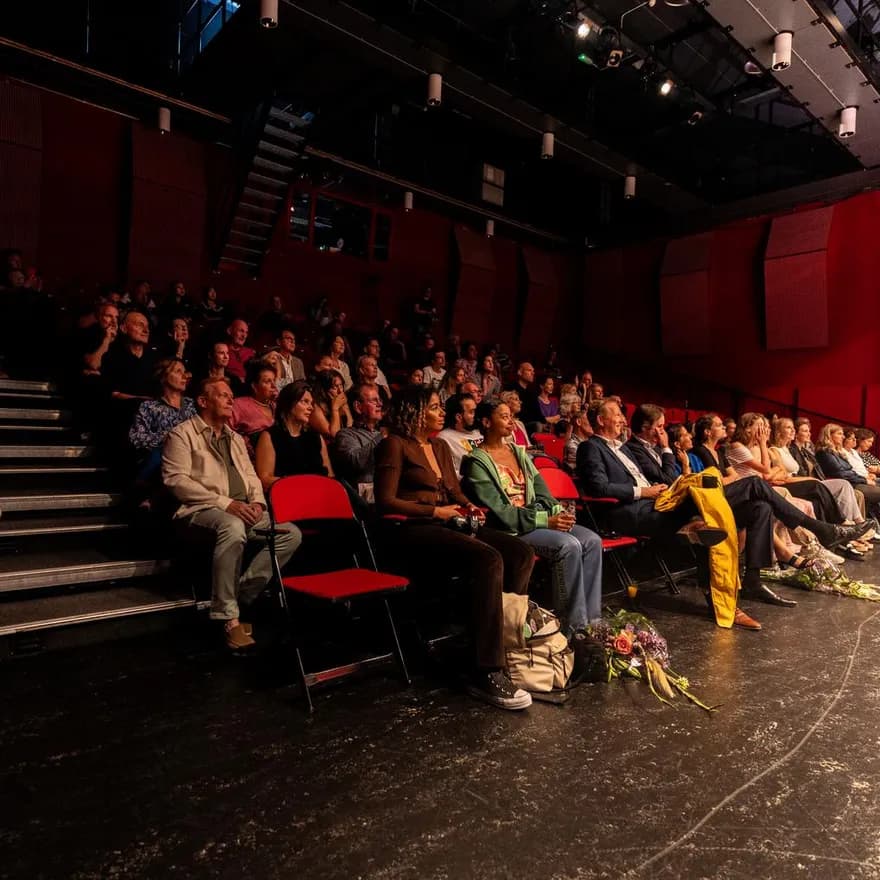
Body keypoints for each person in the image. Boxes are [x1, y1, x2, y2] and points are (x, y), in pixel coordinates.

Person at [579, 401, 872, 618]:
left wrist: (667, 453)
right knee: (755, 485)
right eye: (616, 414)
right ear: (600, 420)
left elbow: (668, 479)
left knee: (758, 507)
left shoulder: (624, 448)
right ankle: (820, 529)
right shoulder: (591, 447)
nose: (621, 419)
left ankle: (753, 579)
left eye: (620, 413)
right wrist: (642, 490)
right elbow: (597, 488)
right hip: (638, 512)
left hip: (665, 501)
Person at [374, 387, 535, 710]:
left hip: (449, 523)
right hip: (413, 529)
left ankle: (501, 639)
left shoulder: (439, 445)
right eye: (434, 407)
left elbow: (454, 490)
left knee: (520, 552)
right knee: (488, 559)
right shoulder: (394, 444)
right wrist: (435, 512)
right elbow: (385, 501)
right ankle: (485, 670)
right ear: (415, 412)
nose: (441, 412)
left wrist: (469, 507)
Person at [162, 377, 301, 651]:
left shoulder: (235, 438)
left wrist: (258, 505)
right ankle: (229, 618)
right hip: (201, 511)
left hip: (241, 510)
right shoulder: (181, 434)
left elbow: (251, 477)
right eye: (223, 395)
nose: (230, 400)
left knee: (290, 533)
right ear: (203, 401)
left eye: (230, 395)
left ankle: (240, 594)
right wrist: (226, 503)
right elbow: (176, 481)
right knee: (232, 527)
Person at [463, 400, 603, 635]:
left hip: (537, 519)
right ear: (486, 422)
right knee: (568, 546)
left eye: (511, 416)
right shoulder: (476, 461)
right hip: (512, 529)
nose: (511, 421)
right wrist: (544, 521)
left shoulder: (519, 452)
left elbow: (542, 490)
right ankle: (572, 628)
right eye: (504, 416)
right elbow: (501, 512)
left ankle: (593, 622)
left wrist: (557, 512)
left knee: (592, 541)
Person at [129, 357, 197, 483]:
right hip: (163, 459)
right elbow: (137, 438)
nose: (184, 376)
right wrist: (168, 437)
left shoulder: (192, 406)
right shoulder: (149, 407)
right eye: (178, 371)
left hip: (191, 457)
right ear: (163, 377)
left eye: (185, 372)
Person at [255, 381, 332, 490]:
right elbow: (265, 479)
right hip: (290, 495)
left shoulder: (316, 437)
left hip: (320, 492)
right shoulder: (270, 436)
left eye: (311, 403)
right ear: (289, 403)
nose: (310, 408)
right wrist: (301, 483)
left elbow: (330, 474)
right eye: (305, 402)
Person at [816, 423, 880, 514]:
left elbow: (850, 471)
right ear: (829, 435)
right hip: (847, 484)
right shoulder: (824, 452)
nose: (842, 437)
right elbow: (840, 473)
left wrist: (864, 479)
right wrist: (865, 480)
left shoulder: (838, 453)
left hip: (854, 481)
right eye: (839, 434)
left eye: (842, 434)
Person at [333, 383, 384, 489]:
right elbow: (356, 461)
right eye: (374, 400)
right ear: (358, 407)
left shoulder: (381, 434)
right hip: (366, 498)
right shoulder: (346, 434)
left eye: (379, 400)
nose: (380, 404)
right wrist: (381, 438)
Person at [623, 404, 678, 485]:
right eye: (660, 426)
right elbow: (669, 480)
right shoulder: (633, 449)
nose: (662, 432)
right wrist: (666, 448)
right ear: (644, 427)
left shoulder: (656, 447)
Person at [229, 359, 278, 444]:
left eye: (274, 380)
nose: (273, 386)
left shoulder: (276, 406)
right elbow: (225, 432)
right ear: (254, 386)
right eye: (267, 381)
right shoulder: (239, 405)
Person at [436, 393, 483, 474]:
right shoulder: (444, 438)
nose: (476, 416)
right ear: (459, 417)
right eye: (472, 412)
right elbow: (450, 473)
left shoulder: (479, 431)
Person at [309, 368, 353, 440]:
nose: (340, 391)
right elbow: (335, 435)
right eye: (334, 387)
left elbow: (350, 428)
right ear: (324, 390)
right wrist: (335, 408)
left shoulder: (340, 400)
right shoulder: (315, 408)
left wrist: (346, 408)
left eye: (341, 385)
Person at [505, 362, 541, 428]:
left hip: (531, 423)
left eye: (533, 371)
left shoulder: (532, 391)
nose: (533, 373)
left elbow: (538, 413)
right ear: (520, 372)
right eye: (529, 370)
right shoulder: (510, 388)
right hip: (516, 422)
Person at [225, 319, 255, 385]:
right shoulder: (223, 351)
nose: (244, 336)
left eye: (246, 332)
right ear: (229, 331)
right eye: (241, 331)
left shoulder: (250, 352)